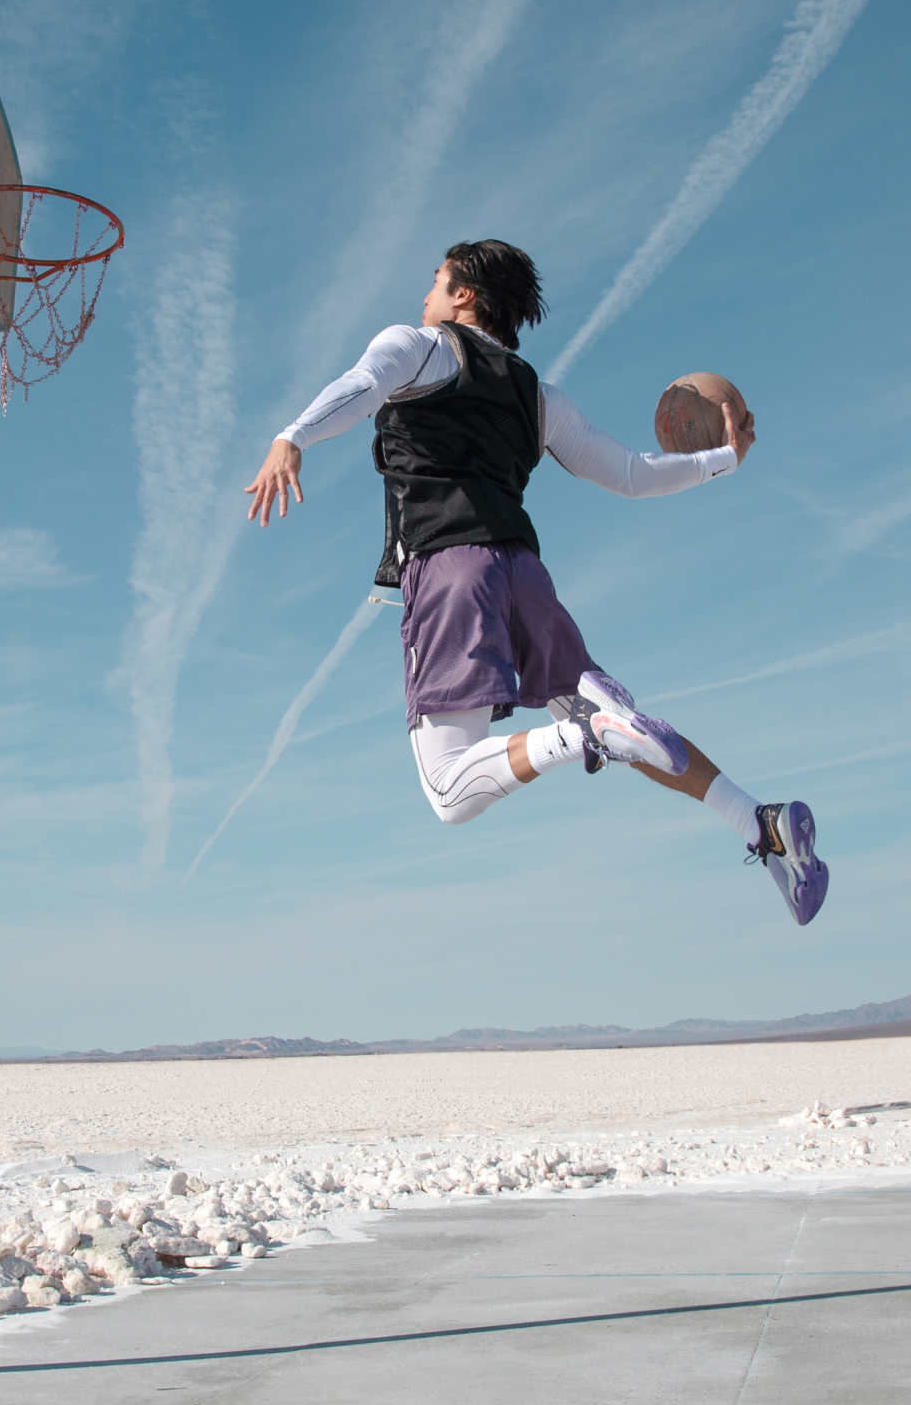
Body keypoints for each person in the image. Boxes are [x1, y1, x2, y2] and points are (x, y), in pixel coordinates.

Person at [245, 239, 827, 926]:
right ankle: (758, 822)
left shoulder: (420, 345)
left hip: (453, 573)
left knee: (451, 791)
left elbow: (364, 383)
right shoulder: (539, 396)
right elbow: (631, 473)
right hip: (524, 576)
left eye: (435, 282)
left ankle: (587, 735)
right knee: (623, 725)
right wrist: (725, 458)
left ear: (464, 295)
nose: (425, 296)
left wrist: (292, 435)